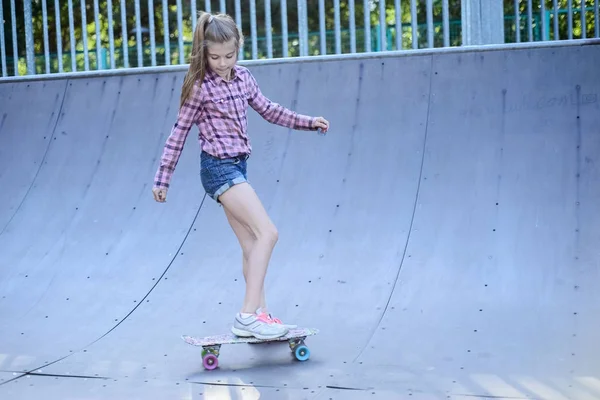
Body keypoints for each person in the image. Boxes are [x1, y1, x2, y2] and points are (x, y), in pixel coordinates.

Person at [152, 11, 329, 340]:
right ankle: (247, 315)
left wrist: (308, 121)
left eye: (229, 55)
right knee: (269, 233)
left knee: (251, 245)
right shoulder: (200, 88)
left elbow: (269, 109)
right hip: (218, 168)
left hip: (238, 166)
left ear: (239, 47)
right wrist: (163, 177)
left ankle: (259, 315)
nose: (222, 63)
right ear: (204, 52)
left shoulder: (245, 78)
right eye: (215, 56)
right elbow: (178, 133)